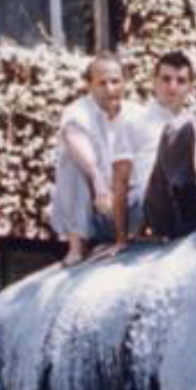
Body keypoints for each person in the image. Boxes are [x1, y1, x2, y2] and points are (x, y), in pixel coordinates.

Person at [109, 51, 196, 251]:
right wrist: (121, 238)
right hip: (156, 203)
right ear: (155, 82)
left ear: (190, 87)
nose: (172, 87)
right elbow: (120, 181)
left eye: (181, 81)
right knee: (178, 132)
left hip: (190, 199)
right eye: (166, 79)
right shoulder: (134, 121)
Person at [50, 53, 134, 266]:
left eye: (115, 81)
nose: (110, 89)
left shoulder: (135, 114)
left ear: (124, 82)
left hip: (126, 205)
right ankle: (76, 246)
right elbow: (75, 141)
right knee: (71, 161)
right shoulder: (77, 113)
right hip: (94, 207)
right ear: (89, 85)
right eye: (102, 83)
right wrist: (98, 182)